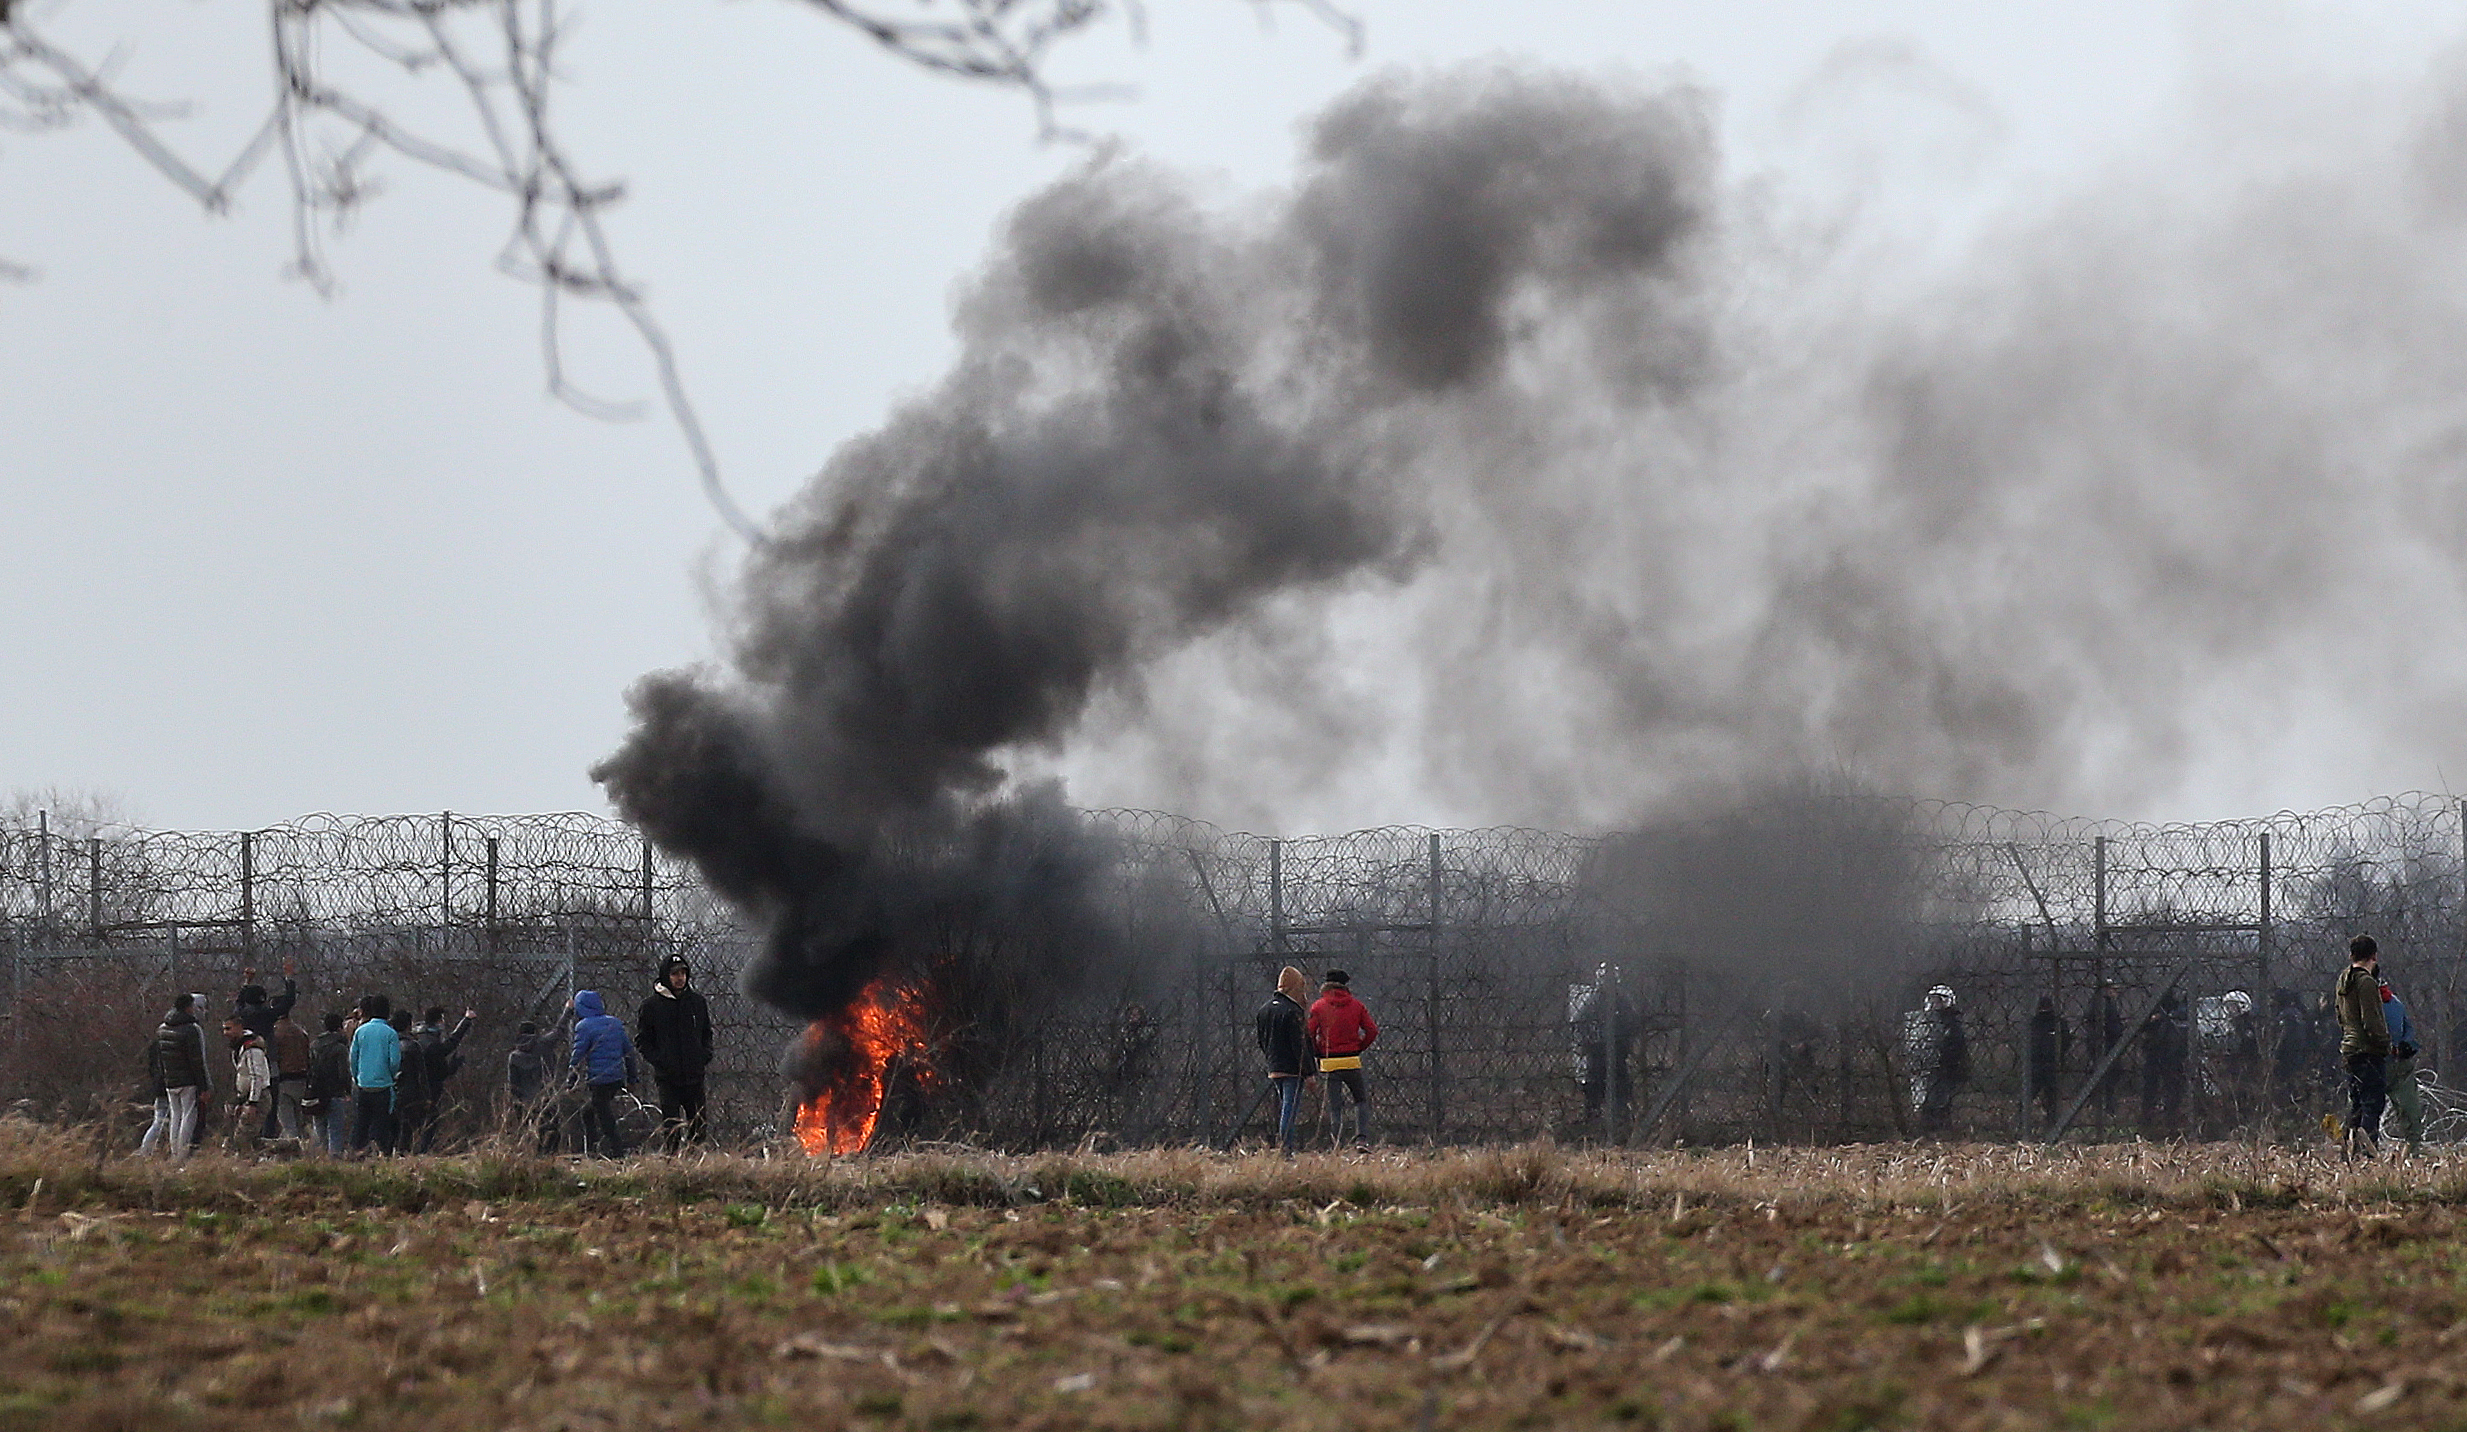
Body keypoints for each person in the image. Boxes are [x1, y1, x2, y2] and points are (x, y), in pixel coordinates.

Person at [635, 956, 714, 1151]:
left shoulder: (697, 1002)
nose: (680, 978)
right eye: (675, 974)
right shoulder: (651, 1006)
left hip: (695, 1075)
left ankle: (695, 1162)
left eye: (683, 973)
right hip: (668, 1078)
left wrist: (703, 1055)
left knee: (699, 1124)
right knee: (671, 1126)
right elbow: (643, 1040)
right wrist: (660, 1060)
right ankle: (672, 1163)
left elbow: (706, 1033)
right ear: (665, 976)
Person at [1306, 969, 1378, 1151]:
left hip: (1329, 1062)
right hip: (1352, 1059)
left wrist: (1319, 1051)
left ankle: (1336, 1142)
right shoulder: (1356, 1005)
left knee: (1335, 1105)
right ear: (1345, 985)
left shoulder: (1318, 1006)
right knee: (1360, 1100)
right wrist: (1359, 1047)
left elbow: (1309, 1034)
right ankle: (1361, 1139)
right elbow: (1372, 1030)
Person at [2335, 936, 2392, 1159]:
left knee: (2356, 1105)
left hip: (2349, 1049)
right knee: (2372, 1104)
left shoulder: (2344, 979)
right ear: (2374, 956)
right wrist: (2384, 1044)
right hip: (2368, 1050)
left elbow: (2339, 1013)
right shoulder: (2366, 982)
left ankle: (2348, 1153)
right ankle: (2367, 1154)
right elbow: (2372, 1021)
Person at [139, 992, 210, 1160]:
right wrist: (204, 1086)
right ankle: (182, 1155)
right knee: (188, 1117)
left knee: (175, 1118)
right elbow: (197, 1060)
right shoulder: (192, 1029)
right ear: (188, 1007)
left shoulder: (163, 1028)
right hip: (188, 1081)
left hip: (170, 1081)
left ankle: (173, 1153)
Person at [570, 990, 639, 1158]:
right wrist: (632, 1078)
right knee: (589, 1112)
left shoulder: (584, 1026)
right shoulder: (614, 1023)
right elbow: (629, 1052)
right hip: (616, 1078)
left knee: (603, 1115)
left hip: (598, 1079)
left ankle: (616, 1153)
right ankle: (594, 1150)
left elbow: (577, 1056)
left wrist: (570, 1080)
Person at [1570, 963, 1637, 1133]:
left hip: (1617, 1049)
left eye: (1611, 980)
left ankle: (1621, 1115)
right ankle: (1593, 1114)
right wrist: (1588, 1039)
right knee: (1594, 1082)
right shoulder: (1595, 1000)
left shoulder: (1622, 1000)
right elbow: (1579, 1020)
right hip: (1597, 1049)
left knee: (1620, 1082)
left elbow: (1632, 1022)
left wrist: (1625, 1039)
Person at [1254, 966, 1313, 1155]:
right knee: (1290, 1110)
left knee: (1285, 1106)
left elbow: (1261, 1040)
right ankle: (1286, 1148)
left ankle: (1284, 1146)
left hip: (1274, 1066)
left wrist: (1271, 1058)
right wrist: (1309, 1072)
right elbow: (1300, 1045)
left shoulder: (1264, 1010)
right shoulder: (1293, 1011)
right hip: (1293, 1069)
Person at [404, 1006, 475, 1154]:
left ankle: (405, 1151)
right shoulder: (433, 1043)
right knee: (431, 1121)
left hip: (410, 1085)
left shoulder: (416, 1035)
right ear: (439, 1020)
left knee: (411, 1122)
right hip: (431, 1087)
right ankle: (424, 1152)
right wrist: (454, 1065)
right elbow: (446, 1055)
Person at [349, 993, 403, 1155]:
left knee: (361, 1123)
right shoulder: (390, 1033)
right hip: (383, 1086)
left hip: (363, 1085)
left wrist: (357, 1077)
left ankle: (356, 1154)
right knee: (381, 1125)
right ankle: (380, 1154)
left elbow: (353, 1058)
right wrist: (391, 1075)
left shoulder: (360, 1031)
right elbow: (394, 1061)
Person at [1911, 985, 1969, 1134]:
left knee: (1939, 1101)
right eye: (1934, 1001)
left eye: (1939, 1001)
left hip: (1946, 1068)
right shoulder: (1925, 1022)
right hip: (1929, 1067)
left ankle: (1937, 1130)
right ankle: (1933, 1130)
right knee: (1929, 1100)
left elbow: (1956, 1047)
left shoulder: (1951, 1023)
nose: (1936, 1005)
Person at [2379, 972, 2424, 1156]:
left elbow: (2409, 1030)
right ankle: (2360, 1154)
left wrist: (2406, 1044)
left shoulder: (2394, 1004)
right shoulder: (2391, 1004)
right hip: (2376, 1065)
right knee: (2366, 1113)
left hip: (2397, 1065)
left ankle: (2412, 1154)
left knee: (2410, 1112)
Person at [507, 1019, 563, 1152]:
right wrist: (568, 1010)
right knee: (552, 1129)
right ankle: (549, 1157)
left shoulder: (514, 1056)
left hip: (526, 1100)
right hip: (547, 1095)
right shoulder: (545, 1045)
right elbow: (559, 1029)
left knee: (531, 1131)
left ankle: (534, 1156)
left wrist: (516, 1104)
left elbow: (512, 1084)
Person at [223, 1014, 274, 1154]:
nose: (225, 1033)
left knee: (243, 1136)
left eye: (229, 1029)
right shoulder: (238, 1049)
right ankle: (281, 1150)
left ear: (240, 1028)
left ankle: (248, 1163)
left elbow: (257, 1077)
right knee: (244, 1137)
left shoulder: (252, 1049)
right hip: (246, 1096)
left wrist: (252, 1103)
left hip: (258, 1097)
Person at [2140, 990, 2189, 1136]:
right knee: (2163, 1089)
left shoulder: (2177, 1011)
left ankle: (2163, 1120)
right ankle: (2158, 1120)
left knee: (2165, 1089)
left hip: (2166, 1056)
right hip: (2161, 1055)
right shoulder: (2157, 1011)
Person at [306, 1011, 353, 1155]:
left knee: (319, 1129)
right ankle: (334, 1160)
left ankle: (319, 1158)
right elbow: (344, 1073)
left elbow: (310, 1068)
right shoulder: (340, 1048)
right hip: (335, 1093)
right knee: (335, 1130)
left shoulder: (314, 1045)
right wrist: (347, 1090)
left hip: (317, 1093)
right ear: (340, 1028)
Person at [267, 1006, 313, 1145]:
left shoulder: (274, 1033)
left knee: (288, 1124)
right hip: (302, 1079)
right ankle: (306, 1149)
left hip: (283, 1080)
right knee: (300, 1122)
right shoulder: (300, 1031)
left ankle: (293, 1152)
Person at [2028, 995, 2068, 1127]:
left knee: (2029, 1093)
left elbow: (2027, 1044)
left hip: (2036, 1064)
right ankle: (2053, 1123)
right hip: (2052, 1064)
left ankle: (2023, 1121)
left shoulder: (2033, 1023)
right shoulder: (2058, 1022)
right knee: (2052, 1096)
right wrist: (2060, 1055)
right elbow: (2067, 1041)